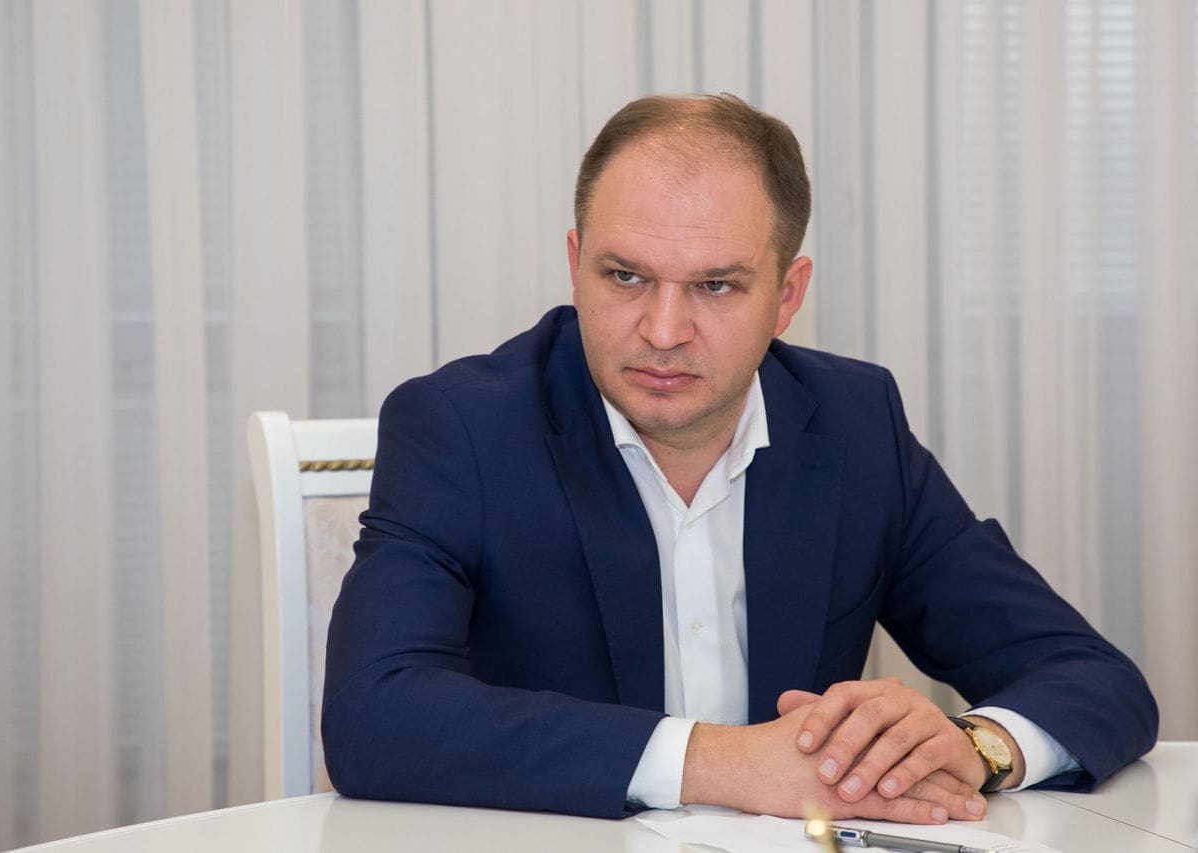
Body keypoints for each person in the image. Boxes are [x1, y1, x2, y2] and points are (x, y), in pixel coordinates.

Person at [321, 94, 1157, 823]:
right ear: (576, 265)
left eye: (715, 285)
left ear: (787, 295)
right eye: (625, 276)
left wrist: (973, 746)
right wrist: (730, 762)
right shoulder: (461, 428)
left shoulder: (855, 426)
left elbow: (1091, 676)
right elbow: (372, 717)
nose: (663, 330)